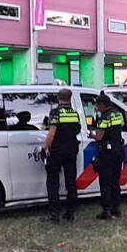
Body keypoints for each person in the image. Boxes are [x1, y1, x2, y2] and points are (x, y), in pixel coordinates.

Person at [43, 88, 81, 222]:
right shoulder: (75, 114)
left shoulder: (55, 113)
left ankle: (54, 214)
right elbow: (77, 130)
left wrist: (45, 147)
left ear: (58, 98)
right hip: (71, 150)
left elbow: (52, 133)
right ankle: (70, 213)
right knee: (71, 182)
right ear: (70, 98)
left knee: (53, 182)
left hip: (57, 151)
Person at [92, 93, 124, 220]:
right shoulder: (117, 114)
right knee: (115, 181)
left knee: (105, 182)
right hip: (118, 150)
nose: (96, 108)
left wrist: (91, 135)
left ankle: (107, 210)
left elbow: (99, 136)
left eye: (97, 106)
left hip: (107, 153)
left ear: (102, 105)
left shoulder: (104, 118)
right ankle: (116, 208)